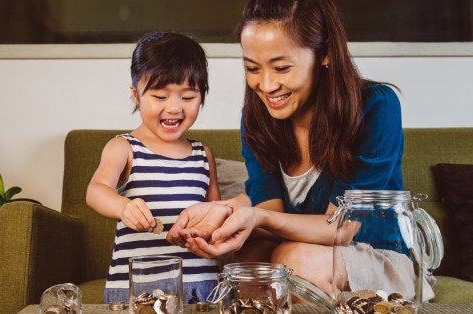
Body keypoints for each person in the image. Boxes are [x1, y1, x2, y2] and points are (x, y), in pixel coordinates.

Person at [167, 0, 435, 301]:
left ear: (326, 53)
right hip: (300, 247)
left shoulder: (376, 107)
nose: (266, 85)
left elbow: (342, 228)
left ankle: (377, 302)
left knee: (292, 261)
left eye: (282, 68)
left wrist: (257, 218)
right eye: (252, 68)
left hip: (377, 254)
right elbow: (270, 211)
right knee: (247, 267)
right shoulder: (256, 117)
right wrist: (223, 217)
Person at [86, 31, 222, 304]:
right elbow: (96, 191)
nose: (174, 108)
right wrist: (124, 207)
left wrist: (206, 231)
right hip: (137, 289)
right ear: (136, 94)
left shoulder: (202, 154)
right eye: (160, 96)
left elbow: (214, 212)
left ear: (202, 95)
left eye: (188, 97)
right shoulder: (124, 147)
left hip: (200, 286)